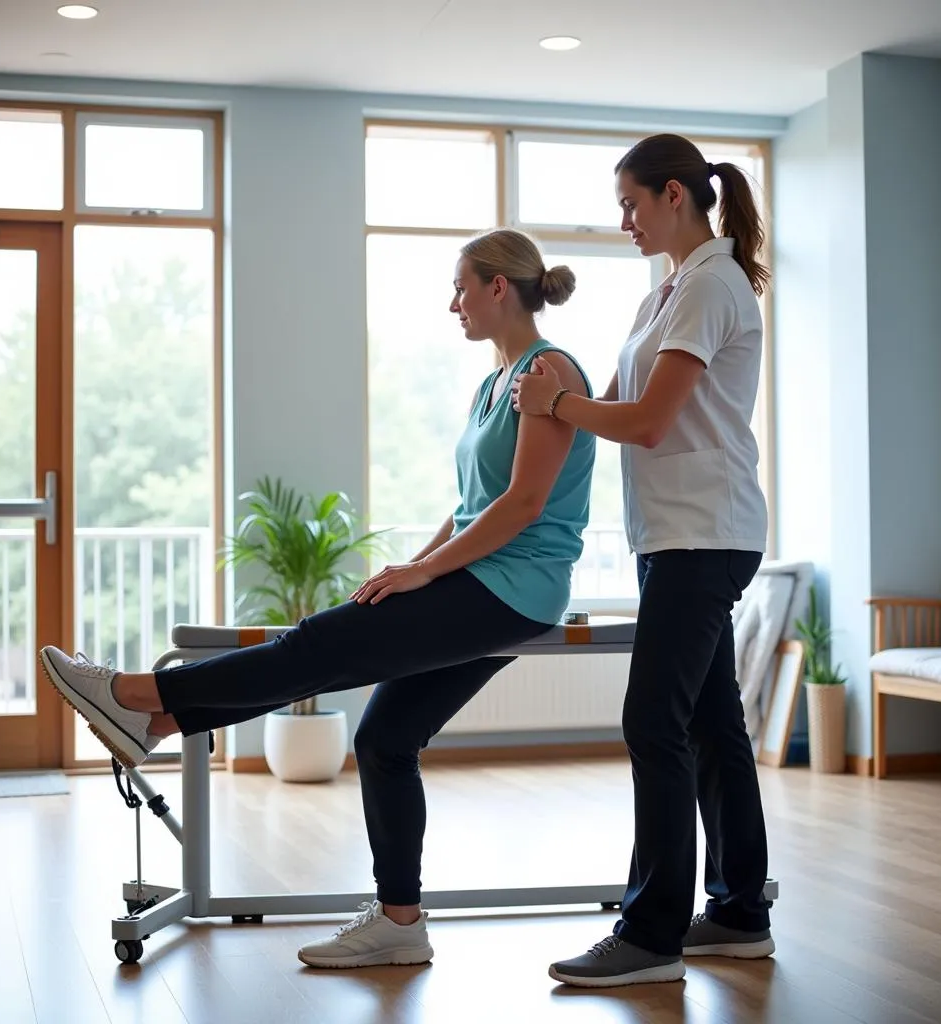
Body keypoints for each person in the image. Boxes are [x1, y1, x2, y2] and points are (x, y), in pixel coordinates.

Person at [41, 227, 596, 971]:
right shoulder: (494, 383)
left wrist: (427, 576)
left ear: (500, 288)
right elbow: (473, 504)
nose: (452, 303)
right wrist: (418, 562)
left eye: (462, 287)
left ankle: (140, 697)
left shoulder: (551, 370)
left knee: (315, 646)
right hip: (481, 576)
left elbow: (524, 504)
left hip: (514, 586)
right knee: (384, 740)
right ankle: (400, 922)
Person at [512, 133, 774, 988]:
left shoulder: (710, 285)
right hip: (676, 534)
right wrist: (560, 405)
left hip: (706, 532)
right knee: (708, 722)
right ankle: (737, 912)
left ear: (673, 194)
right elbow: (618, 408)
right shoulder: (666, 293)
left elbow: (650, 422)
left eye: (629, 203)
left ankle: (652, 934)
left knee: (651, 720)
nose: (622, 220)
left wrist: (559, 401)